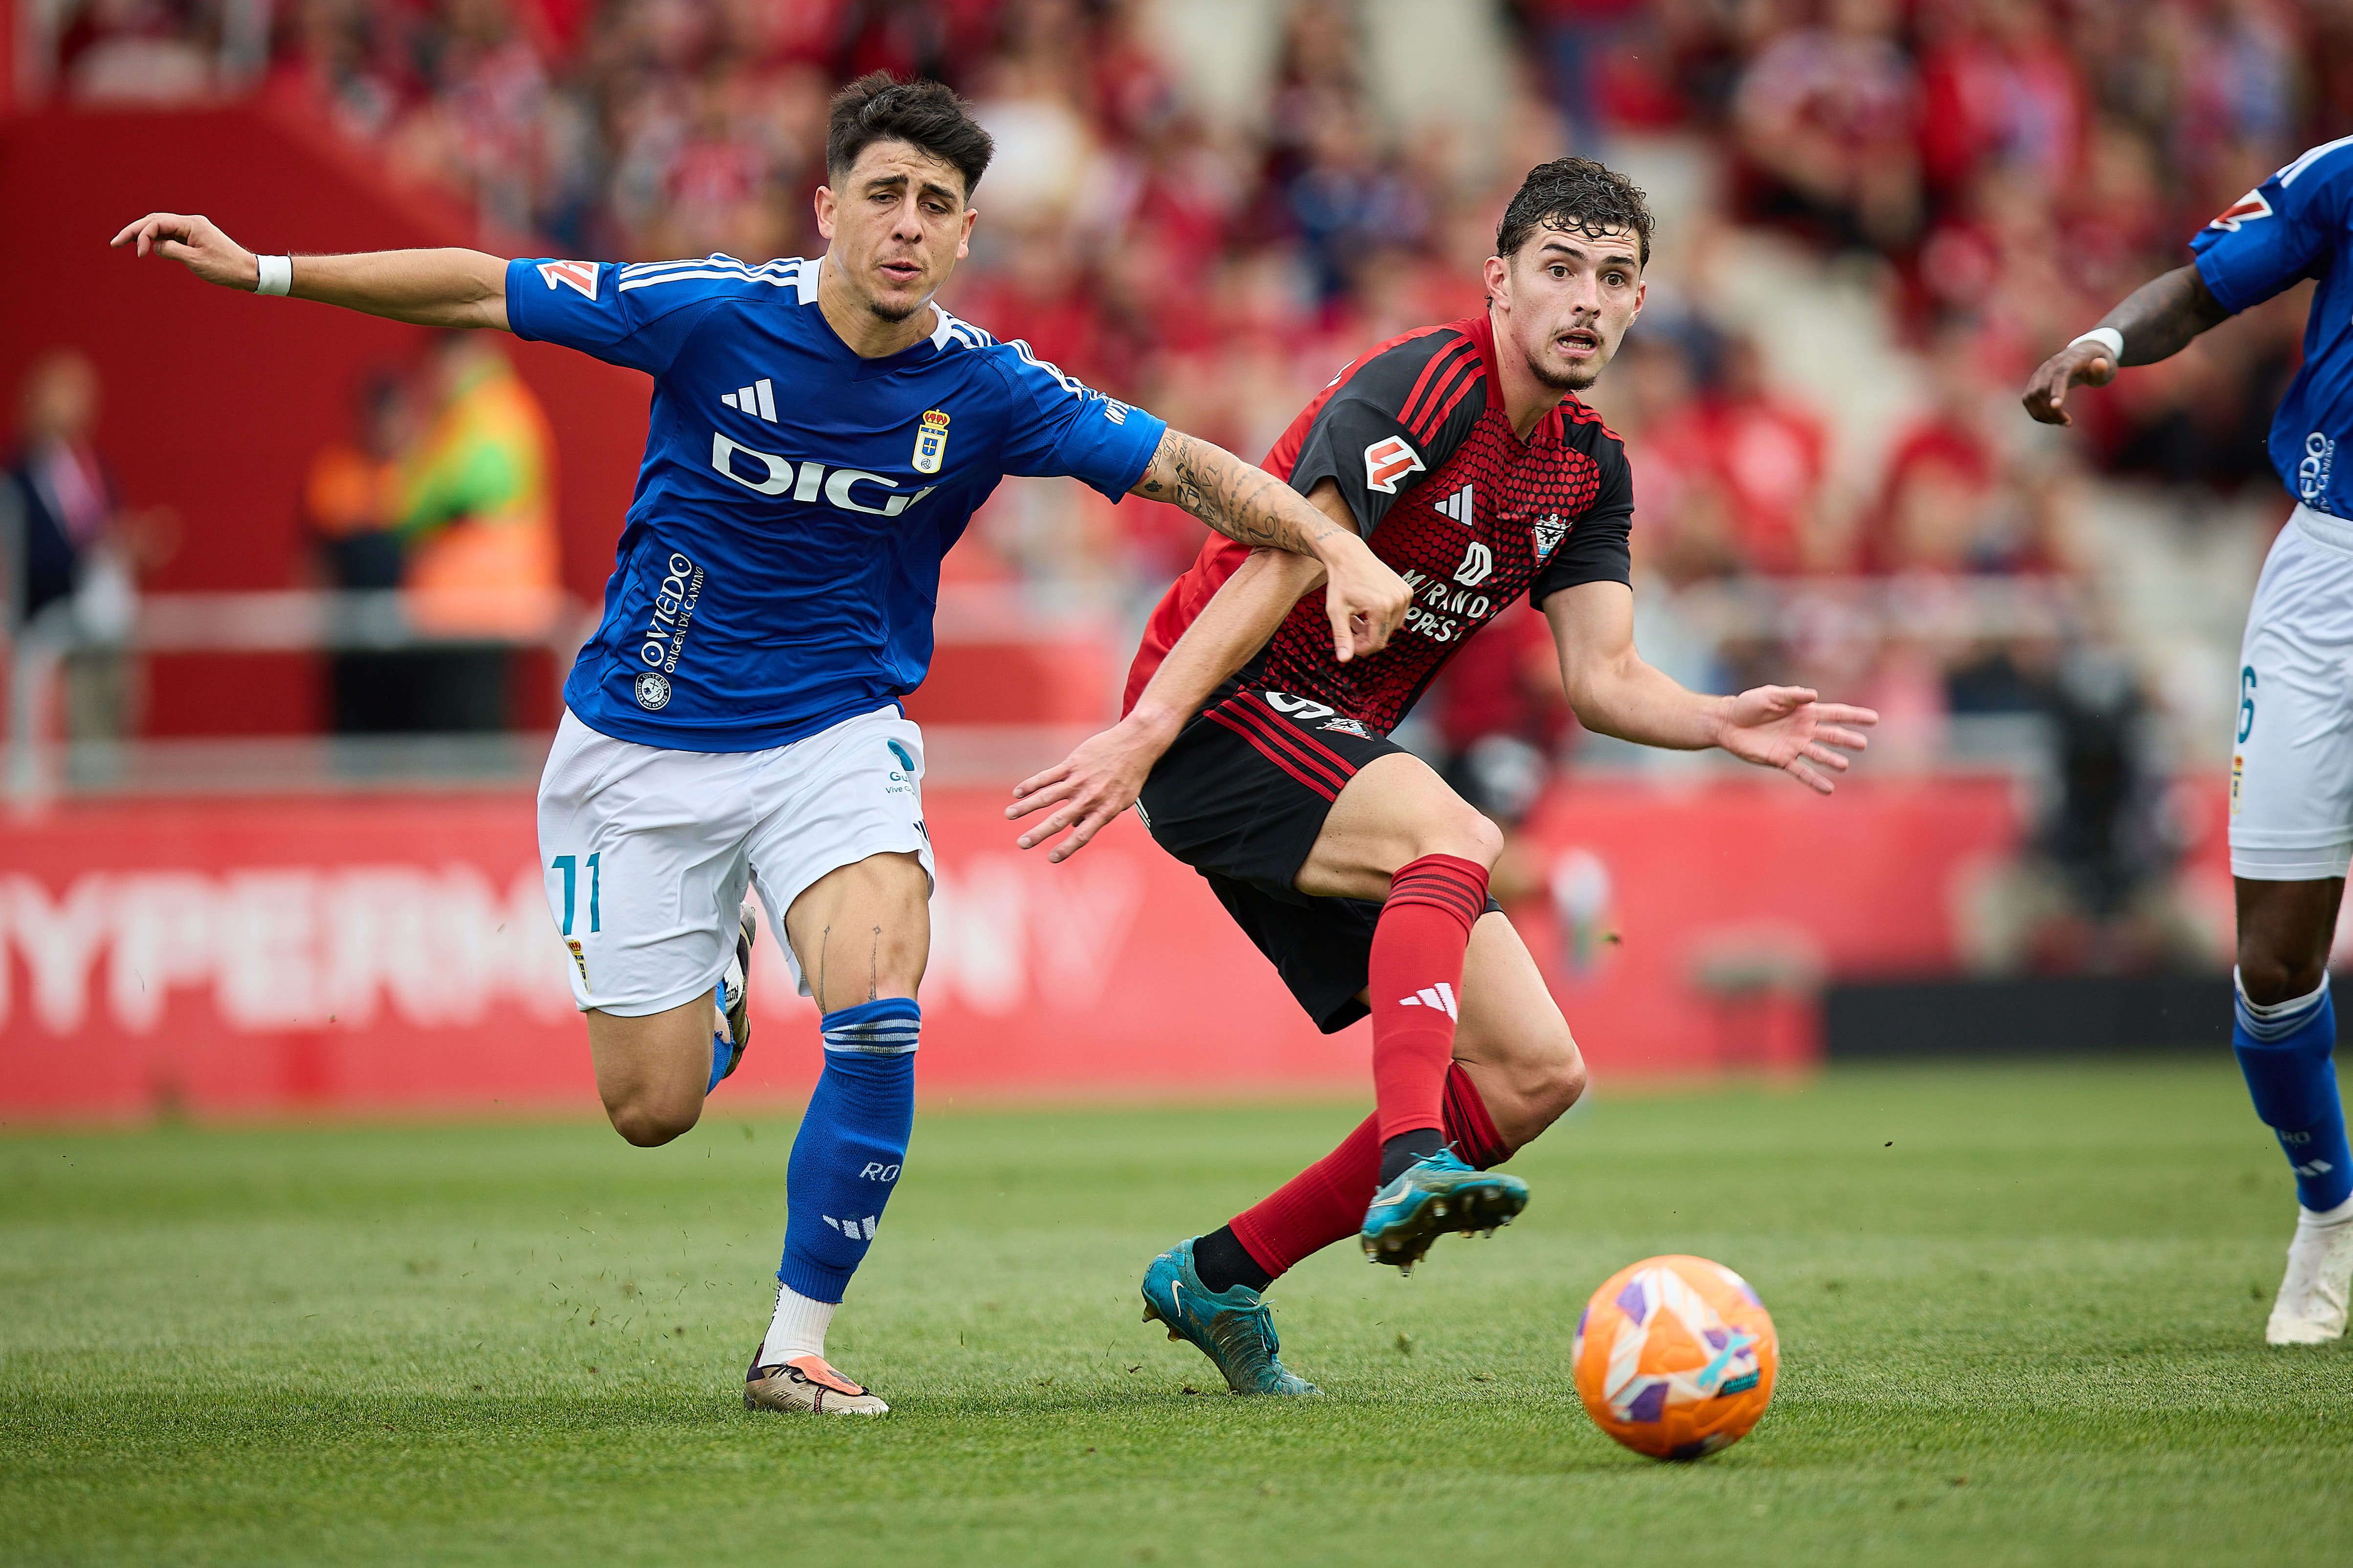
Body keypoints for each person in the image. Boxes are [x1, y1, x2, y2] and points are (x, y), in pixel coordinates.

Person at [113, 71, 1409, 1415]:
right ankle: (722, 984)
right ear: (827, 208)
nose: (908, 224)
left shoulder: (989, 389)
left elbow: (1187, 467)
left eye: (938, 205)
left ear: (966, 237)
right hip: (638, 749)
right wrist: (263, 270)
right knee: (652, 1106)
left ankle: (793, 1344)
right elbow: (480, 289)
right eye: (886, 194)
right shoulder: (713, 314)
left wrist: (1327, 544)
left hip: (832, 740)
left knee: (880, 1008)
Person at [1007, 157, 1877, 1395]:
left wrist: (1715, 720)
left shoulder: (1589, 468)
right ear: (1501, 280)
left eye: (1615, 278)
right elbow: (1275, 558)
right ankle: (1416, 1151)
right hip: (1222, 712)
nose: (1586, 300)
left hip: (1330, 747)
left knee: (1536, 1074)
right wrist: (1147, 726)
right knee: (1453, 833)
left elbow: (1602, 675)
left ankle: (1219, 1272)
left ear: (1641, 303)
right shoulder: (1423, 385)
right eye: (1559, 271)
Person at [2023, 135, 2353, 1346]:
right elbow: (2203, 287)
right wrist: (2105, 341)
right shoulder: (2344, 172)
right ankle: (2329, 1211)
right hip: (2328, 576)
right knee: (2272, 966)